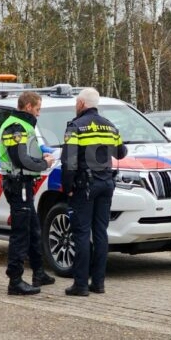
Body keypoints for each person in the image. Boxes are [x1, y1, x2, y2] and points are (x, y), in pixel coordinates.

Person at [60, 87, 127, 296]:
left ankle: (80, 285)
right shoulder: (110, 126)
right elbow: (122, 153)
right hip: (106, 185)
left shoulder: (75, 127)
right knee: (100, 234)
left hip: (84, 186)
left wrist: (67, 188)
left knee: (81, 234)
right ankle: (98, 283)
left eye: (76, 103)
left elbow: (68, 161)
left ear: (81, 104)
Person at [0, 91, 56, 296]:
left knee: (33, 229)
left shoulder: (24, 126)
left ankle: (39, 273)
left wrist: (42, 156)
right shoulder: (15, 126)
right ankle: (15, 281)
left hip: (24, 184)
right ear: (29, 106)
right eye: (38, 109)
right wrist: (44, 163)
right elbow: (19, 159)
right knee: (21, 233)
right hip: (18, 184)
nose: (39, 114)